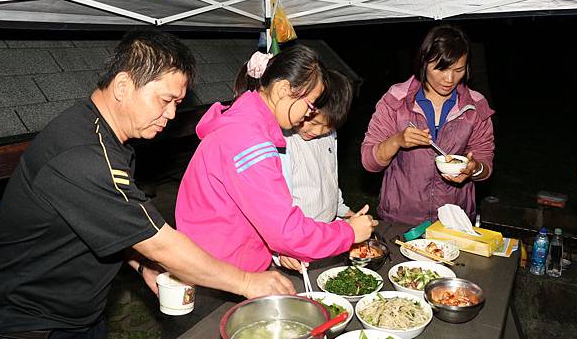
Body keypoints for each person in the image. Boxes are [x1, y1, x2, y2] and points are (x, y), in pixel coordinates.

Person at [0, 30, 294, 339]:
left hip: (79, 314)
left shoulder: (108, 140)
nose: (172, 114)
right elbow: (161, 243)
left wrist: (141, 265)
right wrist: (245, 281)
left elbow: (106, 224)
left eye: (177, 103)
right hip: (28, 321)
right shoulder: (83, 155)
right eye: (165, 100)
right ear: (123, 86)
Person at [175, 46, 376, 273]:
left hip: (229, 264)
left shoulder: (249, 125)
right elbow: (285, 230)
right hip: (218, 272)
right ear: (283, 89)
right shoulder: (248, 140)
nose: (307, 116)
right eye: (310, 105)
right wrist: (348, 233)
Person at [361, 25, 495, 225]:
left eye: (458, 70)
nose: (449, 79)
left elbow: (485, 163)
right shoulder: (396, 101)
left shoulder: (475, 107)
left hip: (453, 221)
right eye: (440, 69)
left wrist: (473, 169)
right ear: (424, 62)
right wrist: (396, 141)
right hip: (400, 219)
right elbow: (369, 162)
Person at [280, 69, 356, 222]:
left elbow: (329, 175)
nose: (318, 131)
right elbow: (281, 211)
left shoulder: (329, 135)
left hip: (328, 227)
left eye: (327, 126)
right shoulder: (285, 142)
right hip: (303, 233)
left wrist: (343, 209)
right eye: (314, 123)